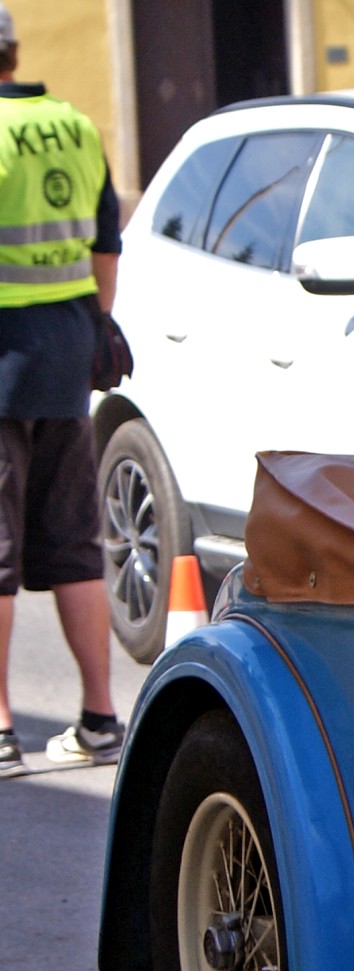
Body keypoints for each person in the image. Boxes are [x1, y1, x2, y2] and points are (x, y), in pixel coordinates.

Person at [0, 3, 125, 775]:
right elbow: (106, 244)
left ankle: (0, 727)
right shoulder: (74, 125)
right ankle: (100, 718)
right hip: (67, 355)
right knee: (77, 543)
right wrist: (97, 326)